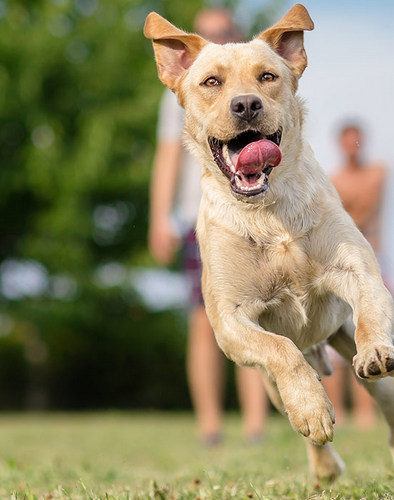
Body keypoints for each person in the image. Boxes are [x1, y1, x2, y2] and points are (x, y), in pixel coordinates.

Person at [148, 8, 268, 446]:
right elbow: (168, 156)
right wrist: (158, 218)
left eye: (225, 31)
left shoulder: (255, 87)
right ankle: (210, 426)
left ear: (237, 35)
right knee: (204, 321)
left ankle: (256, 426)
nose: (218, 37)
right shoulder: (183, 88)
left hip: (252, 212)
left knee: (254, 317)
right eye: (209, 32)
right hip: (199, 217)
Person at [322, 122, 388, 429]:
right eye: (347, 142)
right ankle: (340, 411)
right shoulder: (333, 180)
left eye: (356, 141)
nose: (352, 147)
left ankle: (366, 413)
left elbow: (364, 208)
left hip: (374, 258)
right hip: (341, 257)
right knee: (335, 338)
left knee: (372, 331)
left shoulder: (378, 173)